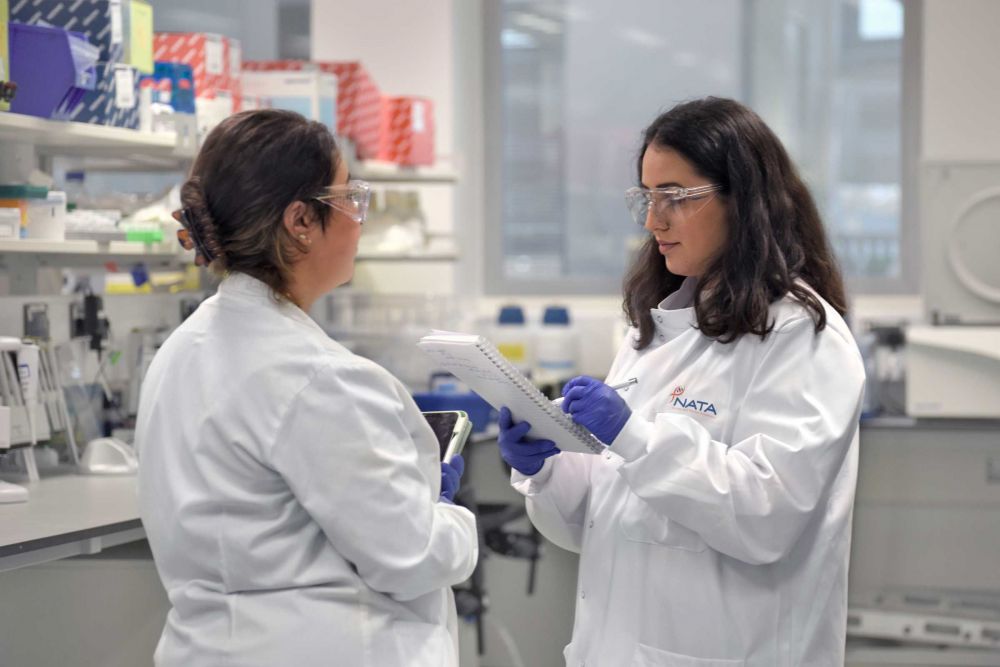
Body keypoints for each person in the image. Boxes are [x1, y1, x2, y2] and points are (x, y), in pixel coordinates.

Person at [499, 97, 865, 666]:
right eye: (647, 197)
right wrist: (547, 468)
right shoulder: (658, 328)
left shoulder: (801, 334)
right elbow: (600, 524)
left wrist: (635, 437)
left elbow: (767, 515)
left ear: (744, 199)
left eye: (675, 197)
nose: (653, 221)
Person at [134, 109, 477, 667]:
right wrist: (445, 512)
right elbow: (411, 557)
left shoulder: (181, 350)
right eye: (349, 199)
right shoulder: (315, 375)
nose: (359, 220)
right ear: (301, 220)